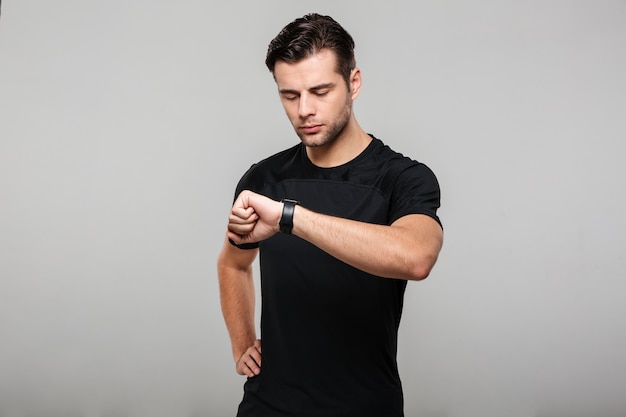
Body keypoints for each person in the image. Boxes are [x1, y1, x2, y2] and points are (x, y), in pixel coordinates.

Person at [217, 13, 443, 417]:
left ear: (353, 83)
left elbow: (416, 256)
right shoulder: (263, 179)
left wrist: (289, 218)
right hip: (269, 406)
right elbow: (233, 263)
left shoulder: (403, 178)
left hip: (365, 406)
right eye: (290, 95)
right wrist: (242, 343)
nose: (305, 110)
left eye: (321, 91)